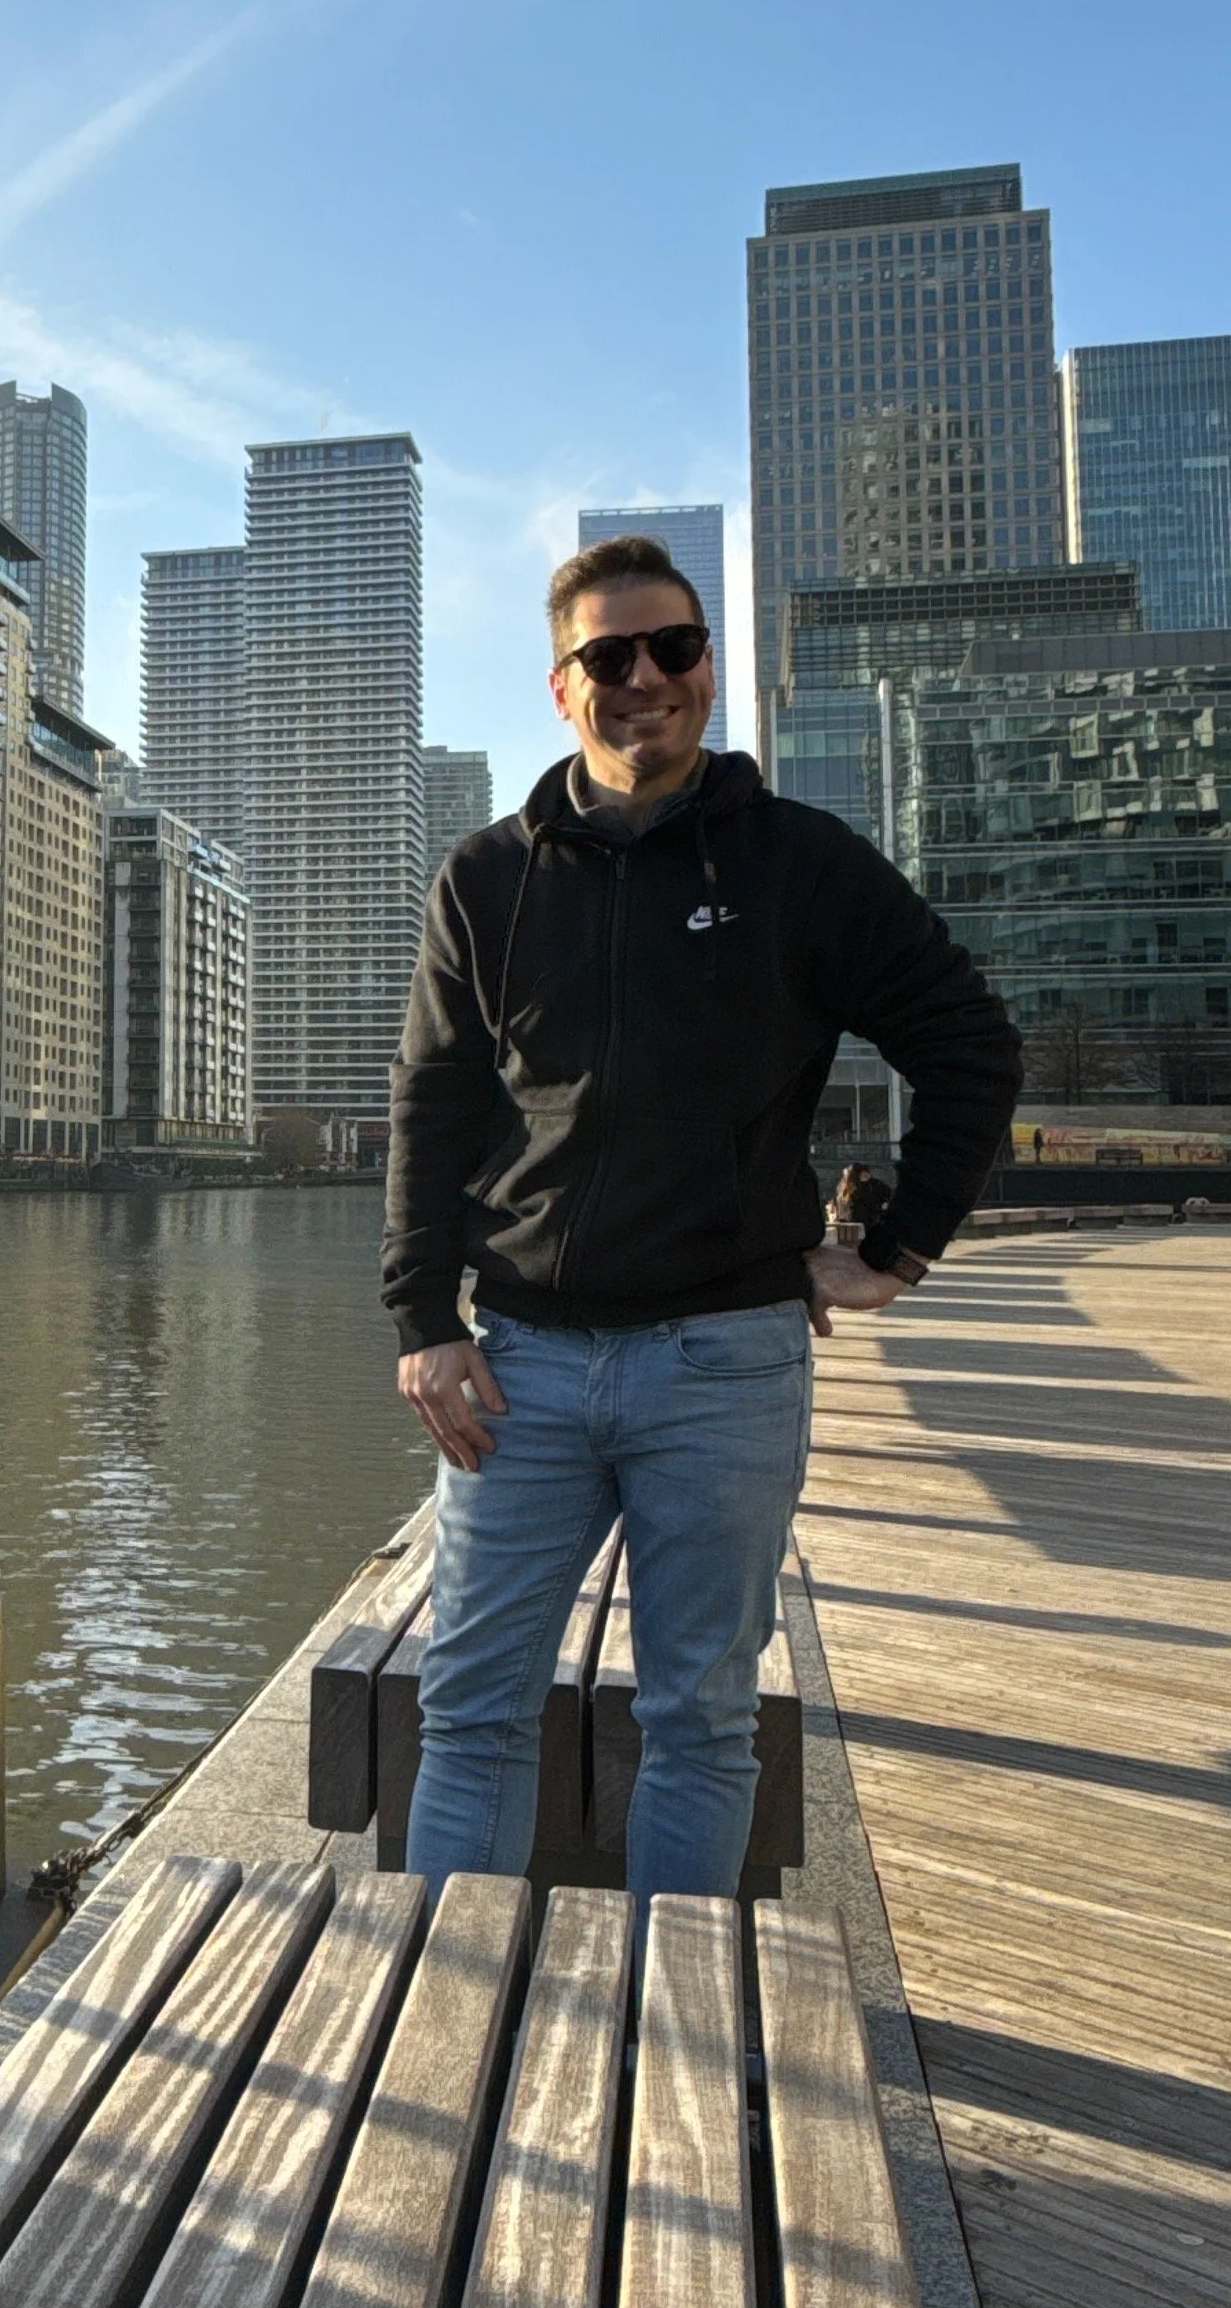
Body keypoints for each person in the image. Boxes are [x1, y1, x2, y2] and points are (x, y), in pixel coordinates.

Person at [383, 535, 1022, 1903]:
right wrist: (423, 1318)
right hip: (521, 1368)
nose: (645, 678)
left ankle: (672, 2010)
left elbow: (971, 1042)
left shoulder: (798, 862)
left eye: (672, 647)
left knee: (701, 1719)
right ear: (562, 685)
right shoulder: (487, 878)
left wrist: (901, 1248)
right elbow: (432, 1105)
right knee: (472, 1709)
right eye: (609, 655)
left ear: (709, 668)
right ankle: (448, 1999)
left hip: (726, 1363)